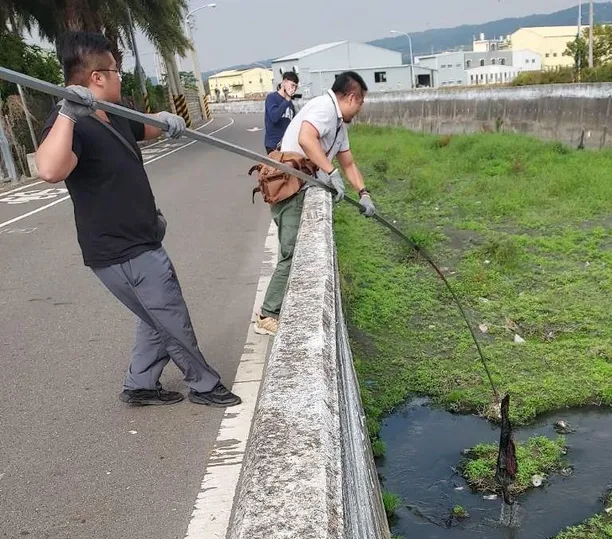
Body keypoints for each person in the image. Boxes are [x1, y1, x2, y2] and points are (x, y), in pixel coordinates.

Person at [35, 31, 241, 408]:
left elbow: (147, 127)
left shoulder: (112, 114)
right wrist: (67, 111)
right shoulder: (71, 123)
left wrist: (166, 120)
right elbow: (49, 168)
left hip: (139, 238)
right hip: (123, 249)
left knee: (153, 314)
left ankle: (141, 383)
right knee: (169, 314)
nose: (120, 77)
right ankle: (204, 385)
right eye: (115, 70)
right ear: (96, 76)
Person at [253, 71, 376, 337]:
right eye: (360, 102)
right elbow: (306, 139)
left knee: (294, 250)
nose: (360, 108)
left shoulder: (338, 124)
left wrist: (363, 193)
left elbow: (349, 163)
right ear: (352, 97)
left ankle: (275, 307)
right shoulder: (324, 108)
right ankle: (267, 314)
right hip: (290, 188)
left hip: (299, 189)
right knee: (291, 252)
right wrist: (330, 173)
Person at [264, 71, 299, 153]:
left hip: (287, 144)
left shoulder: (290, 103)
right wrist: (287, 100)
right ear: (284, 82)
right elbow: (274, 117)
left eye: (296, 87)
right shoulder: (272, 97)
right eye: (292, 85)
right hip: (274, 144)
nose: (293, 89)